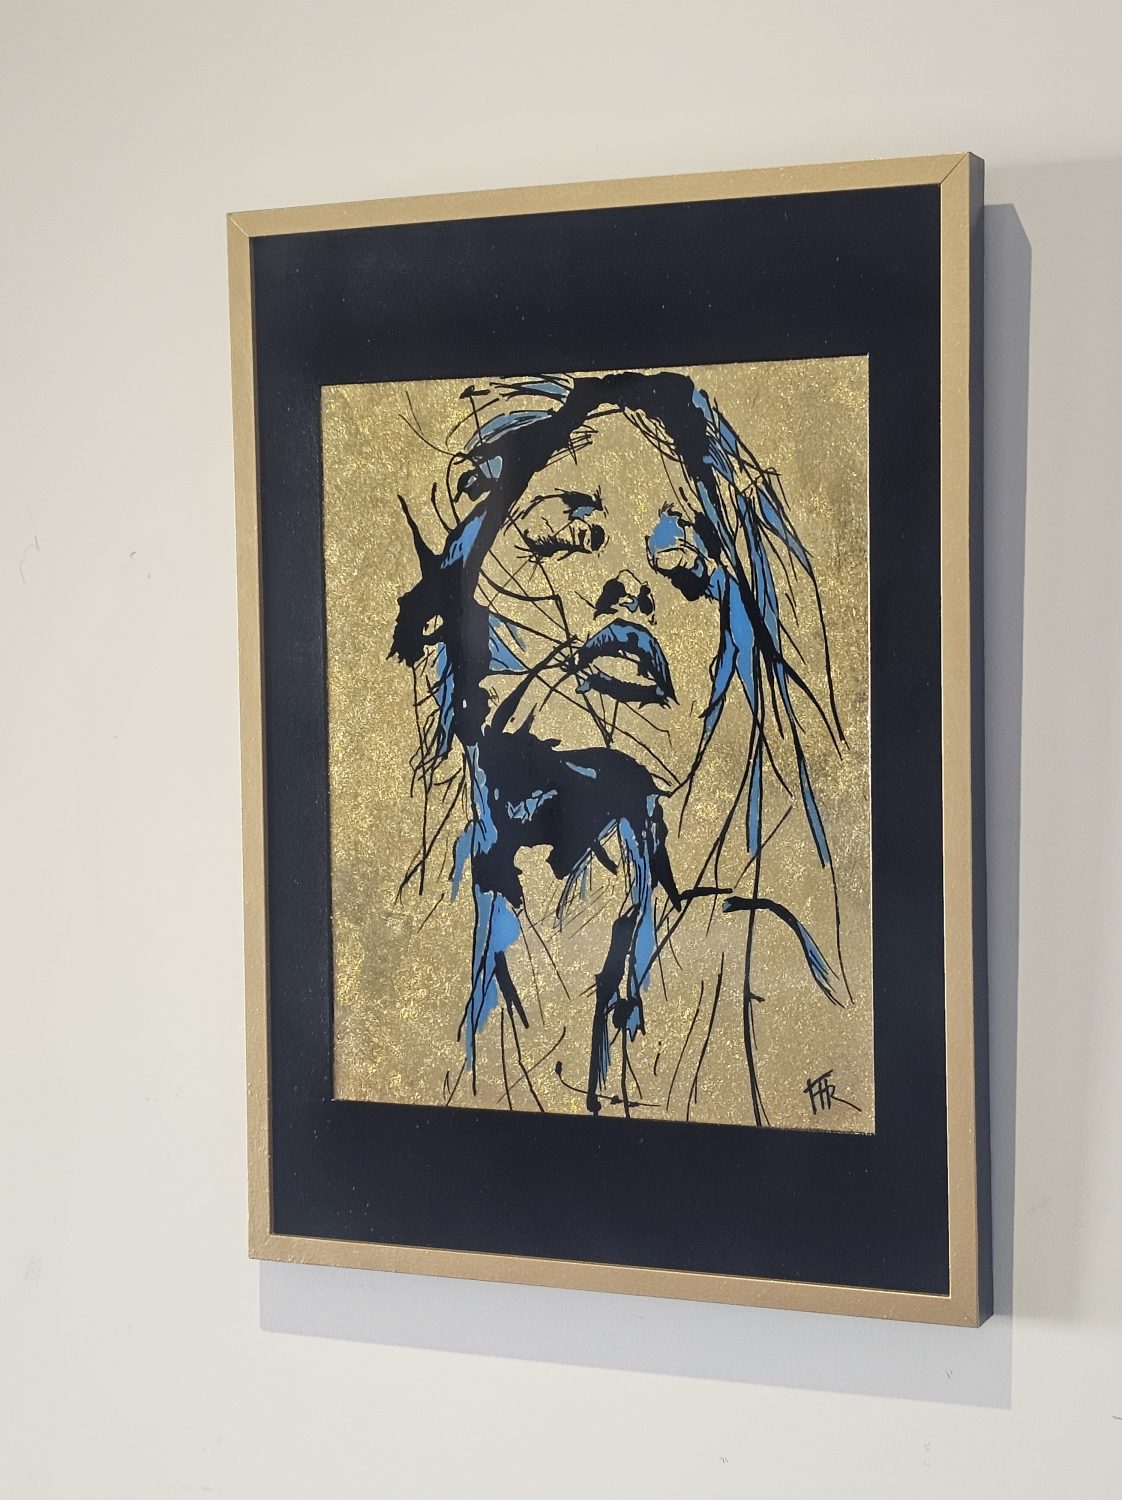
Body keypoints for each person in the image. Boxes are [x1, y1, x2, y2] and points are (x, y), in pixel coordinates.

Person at [391, 370, 848, 1121]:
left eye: (686, 566)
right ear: (465, 605)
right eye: (565, 536)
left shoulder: (752, 971)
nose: (632, 587)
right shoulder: (396, 970)